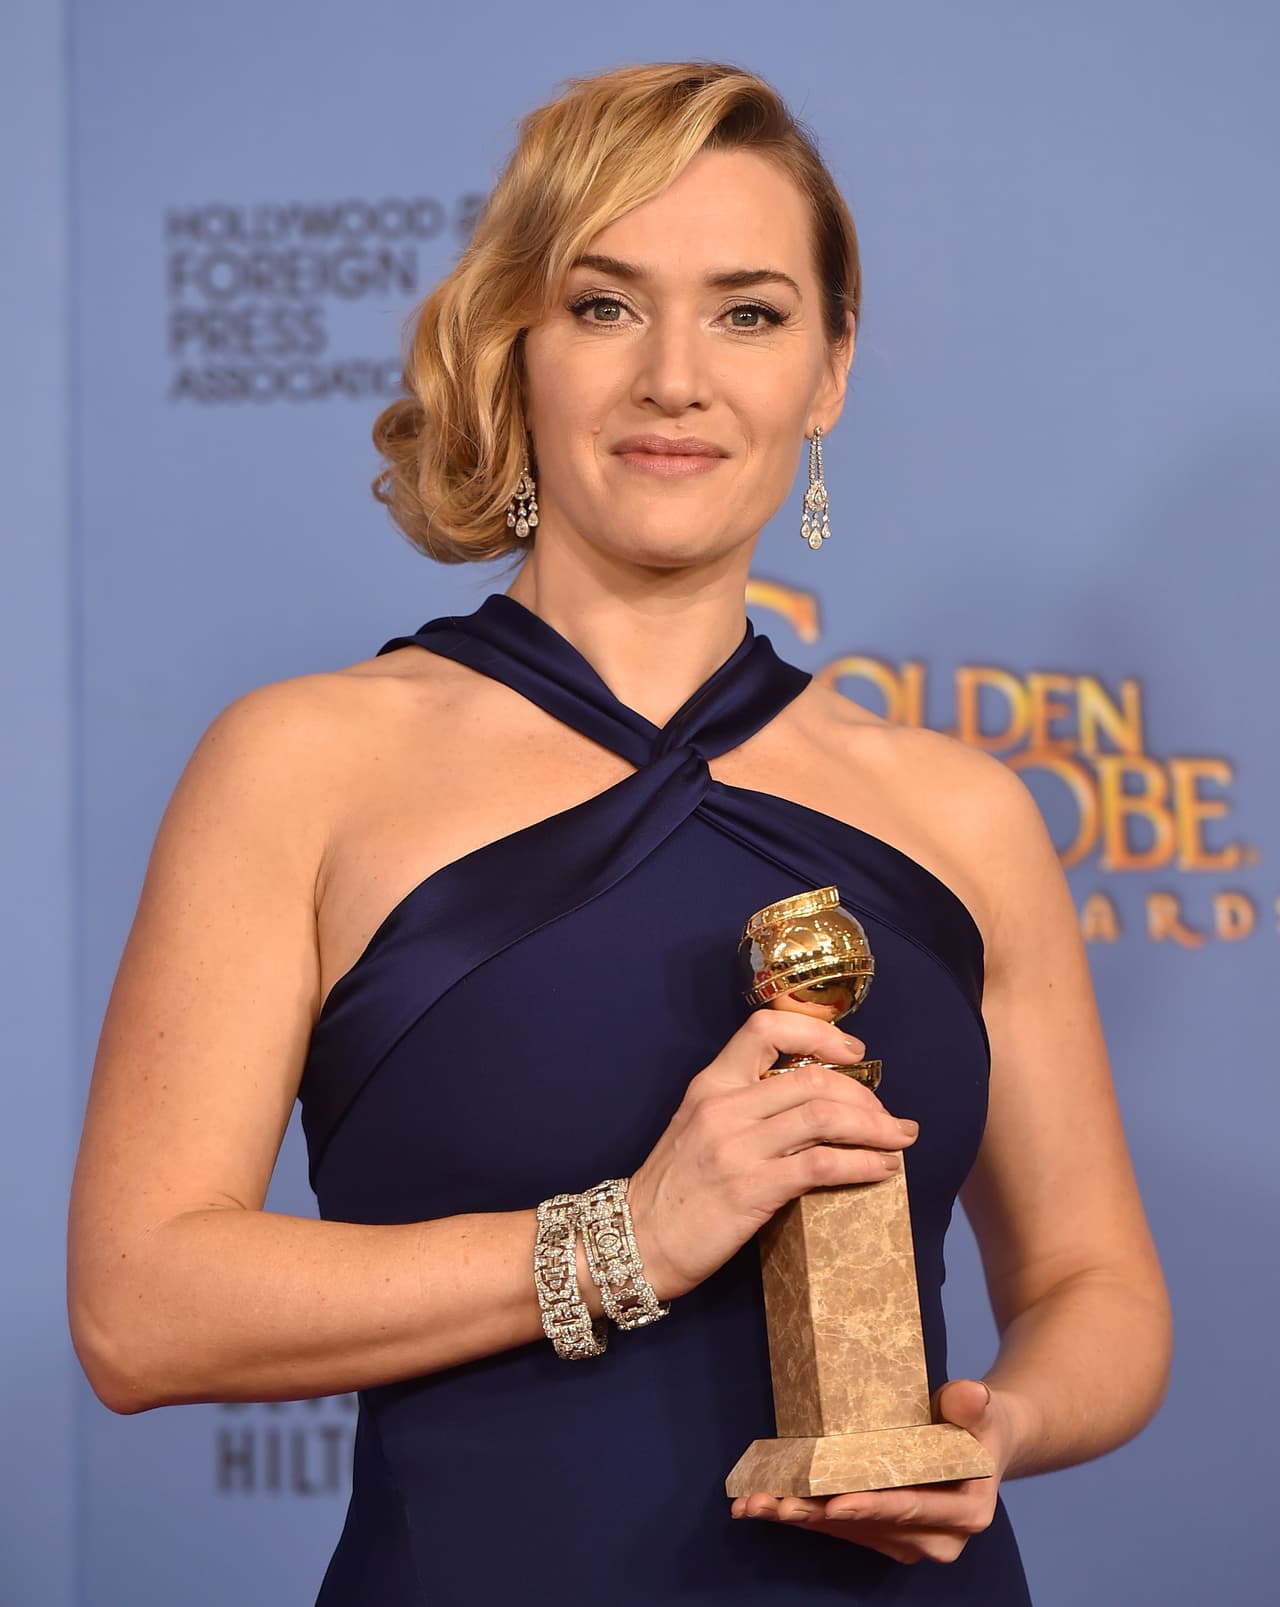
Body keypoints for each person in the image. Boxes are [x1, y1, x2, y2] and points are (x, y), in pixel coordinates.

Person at [67, 60, 1171, 1604]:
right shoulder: (303, 764)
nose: (675, 378)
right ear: (512, 344)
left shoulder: (963, 811)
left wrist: (1000, 1427)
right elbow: (139, 1308)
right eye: (604, 306)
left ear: (832, 368)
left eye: (750, 313)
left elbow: (1095, 1286)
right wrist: (627, 1239)